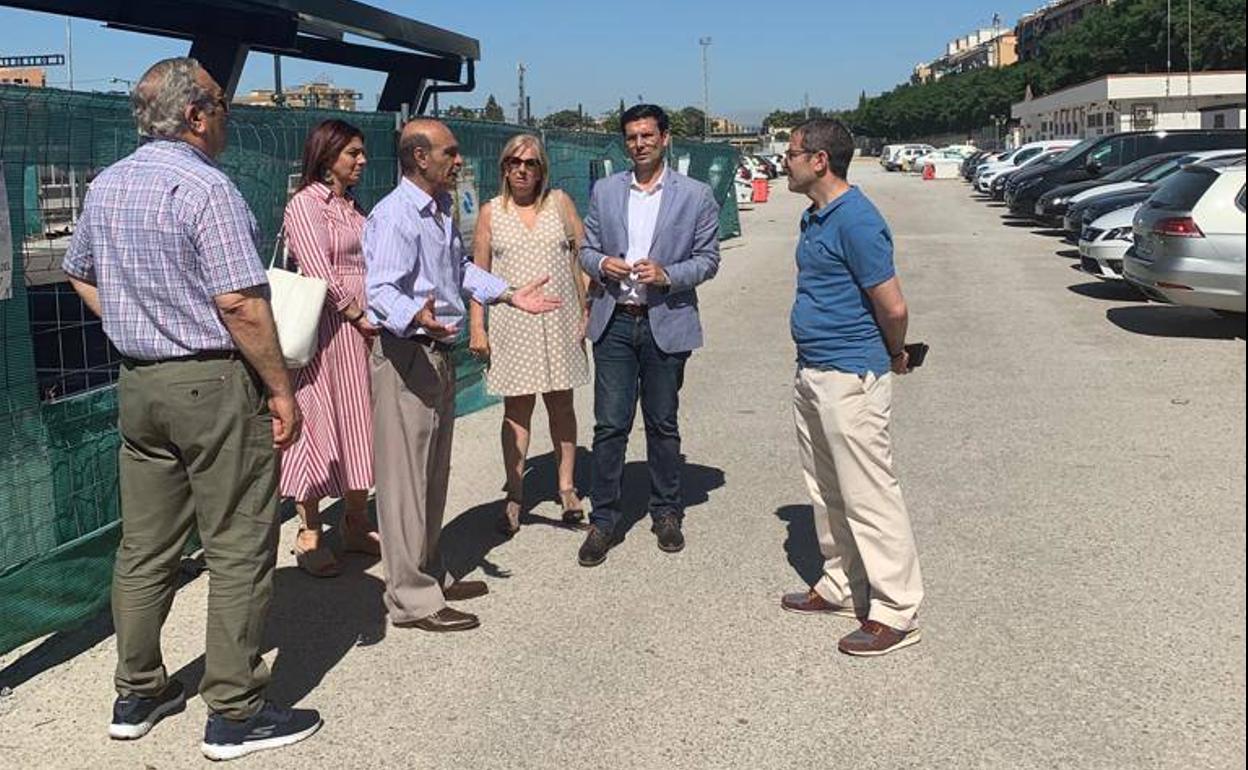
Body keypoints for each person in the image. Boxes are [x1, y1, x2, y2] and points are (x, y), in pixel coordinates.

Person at [61, 57, 322, 760]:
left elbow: (78, 270)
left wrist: (131, 315)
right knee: (238, 543)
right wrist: (280, 387)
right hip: (211, 382)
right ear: (198, 113)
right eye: (223, 102)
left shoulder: (109, 184)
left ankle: (137, 690)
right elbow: (239, 302)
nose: (228, 113)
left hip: (139, 383)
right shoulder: (208, 188)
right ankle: (234, 711)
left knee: (145, 546)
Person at [364, 118, 561, 633]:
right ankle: (411, 599)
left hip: (437, 354)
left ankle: (429, 573)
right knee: (404, 480)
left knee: (432, 474)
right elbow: (380, 291)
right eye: (449, 152)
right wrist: (415, 315)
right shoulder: (396, 216)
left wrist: (509, 293)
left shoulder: (441, 209)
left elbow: (457, 272)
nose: (458, 160)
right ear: (418, 158)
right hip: (407, 354)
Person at [779, 118, 925, 657]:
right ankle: (842, 582)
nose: (785, 160)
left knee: (870, 493)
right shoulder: (814, 217)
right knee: (826, 489)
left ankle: (896, 610)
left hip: (851, 373)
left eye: (793, 152)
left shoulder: (858, 220)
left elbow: (893, 305)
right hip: (813, 368)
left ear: (820, 160)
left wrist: (892, 355)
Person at [575, 104, 721, 567]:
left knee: (662, 422)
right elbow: (586, 248)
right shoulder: (605, 190)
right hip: (615, 318)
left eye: (647, 136)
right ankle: (603, 518)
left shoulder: (696, 195)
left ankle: (666, 511)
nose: (639, 144)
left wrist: (668, 274)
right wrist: (601, 264)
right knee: (610, 424)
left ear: (665, 138)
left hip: (666, 318)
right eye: (632, 137)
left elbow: (709, 259)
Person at [467, 134, 591, 536]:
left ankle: (567, 488)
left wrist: (586, 306)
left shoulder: (560, 203)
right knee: (516, 412)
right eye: (514, 162)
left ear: (542, 169)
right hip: (512, 322)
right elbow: (478, 275)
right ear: (504, 167)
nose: (522, 169)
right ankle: (516, 494)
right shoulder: (491, 212)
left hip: (559, 320)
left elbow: (582, 255)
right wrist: (477, 325)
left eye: (531, 163)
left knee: (562, 406)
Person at [279, 119, 380, 577]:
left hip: (360, 336)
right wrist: (357, 314)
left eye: (361, 153)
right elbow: (319, 269)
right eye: (351, 153)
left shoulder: (352, 207)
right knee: (318, 427)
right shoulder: (305, 206)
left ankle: (356, 523)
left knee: (360, 424)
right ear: (327, 156)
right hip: (327, 334)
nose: (361, 161)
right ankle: (309, 532)